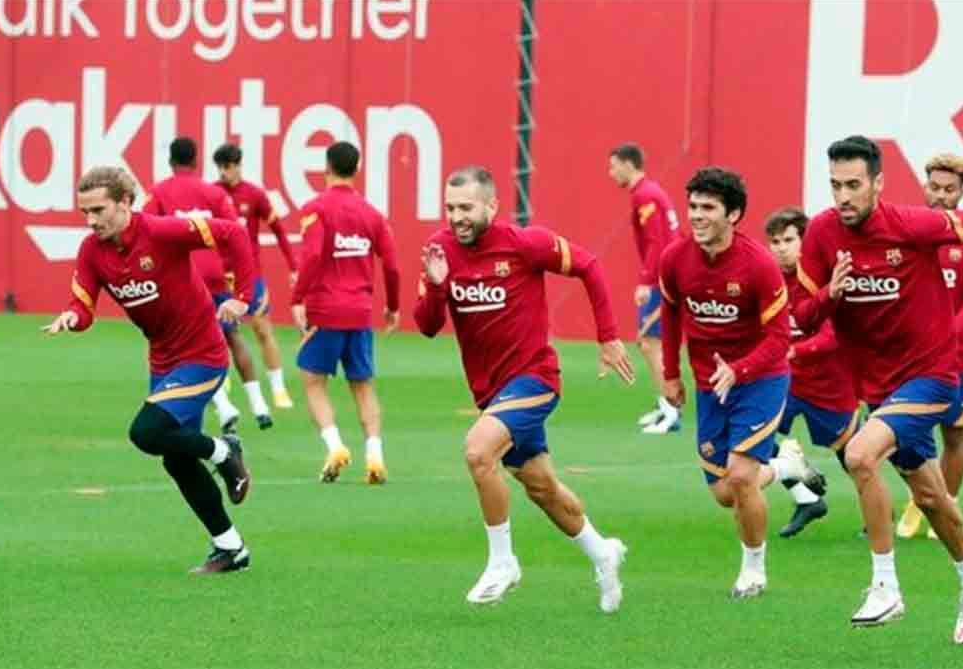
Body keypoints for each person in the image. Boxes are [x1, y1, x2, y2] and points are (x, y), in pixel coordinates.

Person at [793, 135, 963, 643]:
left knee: (860, 455)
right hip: (880, 388)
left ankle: (885, 586)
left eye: (853, 185)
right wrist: (831, 293)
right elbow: (801, 315)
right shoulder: (822, 234)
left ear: (877, 184)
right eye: (835, 185)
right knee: (932, 497)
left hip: (932, 374)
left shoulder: (915, 224)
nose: (843, 196)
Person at [414, 166, 634, 613]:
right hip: (493, 394)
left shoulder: (524, 244)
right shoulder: (440, 251)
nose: (457, 217)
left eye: (466, 208)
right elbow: (427, 325)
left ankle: (502, 562)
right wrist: (437, 286)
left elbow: (588, 266)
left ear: (491, 207)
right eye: (451, 207)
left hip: (535, 378)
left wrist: (608, 336)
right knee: (543, 489)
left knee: (478, 451)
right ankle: (602, 551)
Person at [42, 165, 255, 573]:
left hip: (204, 355)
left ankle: (224, 450)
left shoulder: (161, 231)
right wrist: (71, 317)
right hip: (164, 360)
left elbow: (233, 233)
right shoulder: (92, 251)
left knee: (146, 432)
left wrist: (242, 296)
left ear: (124, 203)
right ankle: (231, 548)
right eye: (84, 212)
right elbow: (83, 306)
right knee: (175, 457)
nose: (91, 220)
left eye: (99, 209)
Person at [658, 168, 822, 599]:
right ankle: (785, 465)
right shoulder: (675, 259)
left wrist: (741, 370)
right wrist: (671, 373)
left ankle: (753, 571)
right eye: (693, 206)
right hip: (710, 384)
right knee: (723, 493)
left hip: (760, 379)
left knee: (741, 476)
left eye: (708, 208)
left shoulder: (759, 266)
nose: (696, 216)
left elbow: (779, 339)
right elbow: (672, 312)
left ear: (733, 214)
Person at [145, 137, 273, 432]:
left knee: (185, 348)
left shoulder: (160, 192)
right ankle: (259, 404)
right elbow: (234, 233)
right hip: (214, 276)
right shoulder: (213, 193)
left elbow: (146, 232)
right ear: (196, 160)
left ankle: (224, 405)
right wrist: (238, 282)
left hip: (181, 282)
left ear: (171, 161)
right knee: (233, 337)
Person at [291, 141, 400, 484]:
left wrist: (298, 298)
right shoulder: (372, 214)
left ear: (327, 167)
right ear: (357, 168)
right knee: (363, 385)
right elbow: (393, 265)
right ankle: (375, 453)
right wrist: (393, 306)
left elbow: (311, 256)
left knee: (313, 382)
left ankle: (335, 445)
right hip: (360, 312)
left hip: (325, 311)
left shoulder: (316, 209)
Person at [897, 153, 963, 540]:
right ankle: (920, 499)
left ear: (962, 193)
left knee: (954, 434)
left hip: (957, 356)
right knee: (909, 433)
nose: (940, 196)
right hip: (913, 355)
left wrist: (947, 334)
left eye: (949, 189)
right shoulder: (910, 233)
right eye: (934, 187)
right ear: (925, 187)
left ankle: (947, 502)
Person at [764, 206, 861, 538]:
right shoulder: (766, 280)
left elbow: (832, 335)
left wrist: (793, 350)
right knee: (756, 438)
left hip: (830, 384)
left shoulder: (824, 279)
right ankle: (806, 498)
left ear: (805, 242)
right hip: (785, 383)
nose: (780, 248)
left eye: (788, 240)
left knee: (855, 457)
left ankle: (876, 514)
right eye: (774, 241)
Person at [213, 143, 299, 411]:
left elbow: (279, 231)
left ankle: (278, 387)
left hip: (248, 274)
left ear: (238, 165)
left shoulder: (255, 195)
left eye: (229, 166)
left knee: (262, 329)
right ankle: (221, 381)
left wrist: (293, 266)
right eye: (221, 167)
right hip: (218, 275)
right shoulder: (212, 194)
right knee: (221, 334)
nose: (225, 172)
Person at [608, 143, 682, 434]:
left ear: (629, 164)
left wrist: (646, 281)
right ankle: (666, 403)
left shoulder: (645, 196)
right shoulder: (649, 192)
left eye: (613, 165)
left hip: (663, 277)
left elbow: (656, 241)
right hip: (667, 274)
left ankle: (671, 410)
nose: (610, 172)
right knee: (652, 343)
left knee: (650, 343)